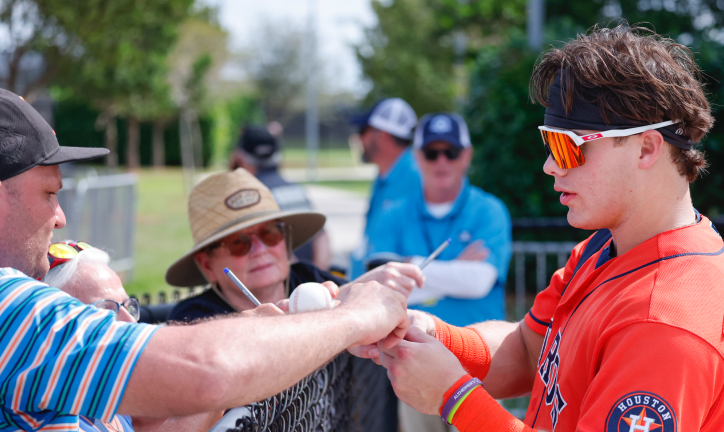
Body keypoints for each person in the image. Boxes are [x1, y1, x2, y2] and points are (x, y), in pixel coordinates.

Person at [358, 25, 724, 432]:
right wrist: (426, 333)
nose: (550, 165)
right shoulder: (607, 246)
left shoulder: (665, 323)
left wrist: (455, 398)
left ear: (646, 147)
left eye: (569, 145)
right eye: (550, 144)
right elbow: (531, 351)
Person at [0, 87, 410, 431]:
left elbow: (146, 419)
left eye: (270, 234)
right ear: (207, 265)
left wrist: (261, 325)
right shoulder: (7, 306)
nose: (61, 217)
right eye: (50, 194)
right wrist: (355, 318)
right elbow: (206, 369)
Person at [366, 112, 511, 432]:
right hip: (413, 363)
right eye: (432, 153)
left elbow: (480, 281)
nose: (441, 161)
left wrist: (410, 265)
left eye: (452, 152)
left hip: (481, 365)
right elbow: (377, 286)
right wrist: (456, 271)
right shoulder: (392, 215)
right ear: (417, 157)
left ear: (467, 156)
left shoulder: (490, 211)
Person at [167, 168, 425, 322]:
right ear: (207, 264)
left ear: (285, 239)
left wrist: (367, 285)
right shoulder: (193, 320)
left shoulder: (307, 278)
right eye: (238, 243)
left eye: (270, 233)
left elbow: (345, 297)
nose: (260, 249)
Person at [42, 245, 222, 432]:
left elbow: (147, 421)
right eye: (107, 311)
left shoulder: (100, 384)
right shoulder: (55, 418)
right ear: (59, 324)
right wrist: (217, 386)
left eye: (127, 306)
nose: (131, 322)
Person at [230, 122, 332, 270]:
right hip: (310, 283)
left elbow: (276, 249)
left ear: (240, 157)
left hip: (288, 284)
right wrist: (317, 277)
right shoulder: (296, 188)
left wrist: (300, 278)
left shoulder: (251, 197)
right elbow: (321, 237)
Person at [349, 98, 421, 278]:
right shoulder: (384, 176)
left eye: (363, 131)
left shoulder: (418, 178)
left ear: (381, 136)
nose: (359, 138)